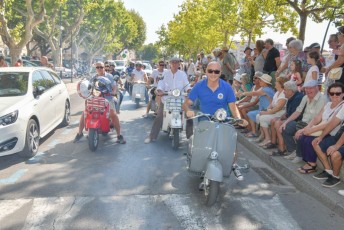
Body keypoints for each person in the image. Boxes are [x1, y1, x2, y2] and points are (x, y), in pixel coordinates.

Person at [182, 61, 248, 180]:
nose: (213, 74)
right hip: (205, 121)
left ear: (220, 72)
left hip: (223, 121)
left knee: (231, 143)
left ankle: (233, 164)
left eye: (216, 71)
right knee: (199, 146)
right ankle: (197, 162)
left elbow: (233, 107)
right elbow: (187, 103)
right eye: (210, 71)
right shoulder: (199, 86)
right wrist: (187, 110)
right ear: (206, 71)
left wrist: (239, 119)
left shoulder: (226, 87)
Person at [296, 82, 344, 174]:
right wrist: (306, 128)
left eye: (337, 93)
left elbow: (330, 124)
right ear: (328, 94)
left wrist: (311, 130)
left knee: (309, 140)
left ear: (342, 94)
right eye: (331, 93)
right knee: (303, 137)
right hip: (322, 130)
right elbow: (317, 118)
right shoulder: (328, 104)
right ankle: (312, 163)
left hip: (331, 133)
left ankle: (312, 164)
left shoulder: (342, 106)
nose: (334, 95)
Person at [74, 61, 126, 144]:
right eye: (97, 67)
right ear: (95, 68)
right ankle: (80, 133)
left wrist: (113, 92)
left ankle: (119, 135)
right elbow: (89, 87)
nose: (99, 69)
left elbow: (114, 86)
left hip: (108, 97)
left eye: (101, 67)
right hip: (95, 97)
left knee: (113, 114)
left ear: (104, 68)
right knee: (85, 113)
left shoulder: (109, 76)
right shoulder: (93, 77)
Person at [144, 57, 190, 144]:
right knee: (159, 116)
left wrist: (189, 90)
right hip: (166, 99)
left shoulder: (182, 74)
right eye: (173, 62)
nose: (175, 64)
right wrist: (160, 90)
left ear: (179, 64)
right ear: (170, 64)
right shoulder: (165, 74)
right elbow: (161, 84)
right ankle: (152, 136)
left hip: (180, 99)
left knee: (189, 115)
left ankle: (191, 138)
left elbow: (187, 84)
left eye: (177, 62)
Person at [280, 80, 326, 163]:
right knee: (285, 127)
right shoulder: (305, 97)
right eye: (306, 88)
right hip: (302, 122)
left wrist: (305, 128)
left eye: (311, 88)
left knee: (300, 132)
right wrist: (285, 122)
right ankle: (292, 151)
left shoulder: (322, 99)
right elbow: (298, 111)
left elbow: (317, 118)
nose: (308, 90)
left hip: (314, 125)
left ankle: (299, 155)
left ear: (317, 88)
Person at [270, 81, 303, 156]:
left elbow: (293, 114)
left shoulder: (298, 98)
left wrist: (282, 119)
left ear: (291, 91)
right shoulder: (291, 97)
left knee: (278, 123)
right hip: (292, 118)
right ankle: (274, 143)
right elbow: (288, 113)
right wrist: (281, 118)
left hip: (298, 121)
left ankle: (282, 148)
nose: (283, 92)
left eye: (285, 90)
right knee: (275, 120)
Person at [240, 74, 275, 138]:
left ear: (265, 82)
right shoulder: (264, 89)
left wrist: (243, 93)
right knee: (250, 114)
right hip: (262, 110)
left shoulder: (266, 89)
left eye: (261, 80)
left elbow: (254, 93)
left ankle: (254, 132)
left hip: (267, 110)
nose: (259, 81)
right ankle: (254, 131)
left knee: (250, 113)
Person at [257, 77, 288, 148]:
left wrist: (265, 113)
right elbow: (272, 104)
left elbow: (277, 108)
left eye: (276, 82)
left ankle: (268, 138)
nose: (275, 83)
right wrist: (266, 109)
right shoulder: (277, 92)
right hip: (274, 112)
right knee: (258, 116)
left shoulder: (283, 94)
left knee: (262, 117)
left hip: (280, 113)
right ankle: (263, 135)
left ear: (280, 84)